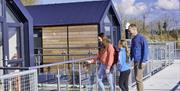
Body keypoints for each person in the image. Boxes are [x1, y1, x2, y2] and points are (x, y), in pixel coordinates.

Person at [128, 24, 148, 91]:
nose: (128, 31)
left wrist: (144, 61)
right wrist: (129, 59)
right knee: (137, 79)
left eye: (129, 30)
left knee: (138, 78)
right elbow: (132, 50)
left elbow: (145, 49)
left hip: (140, 61)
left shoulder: (141, 38)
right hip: (135, 61)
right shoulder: (133, 39)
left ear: (134, 29)